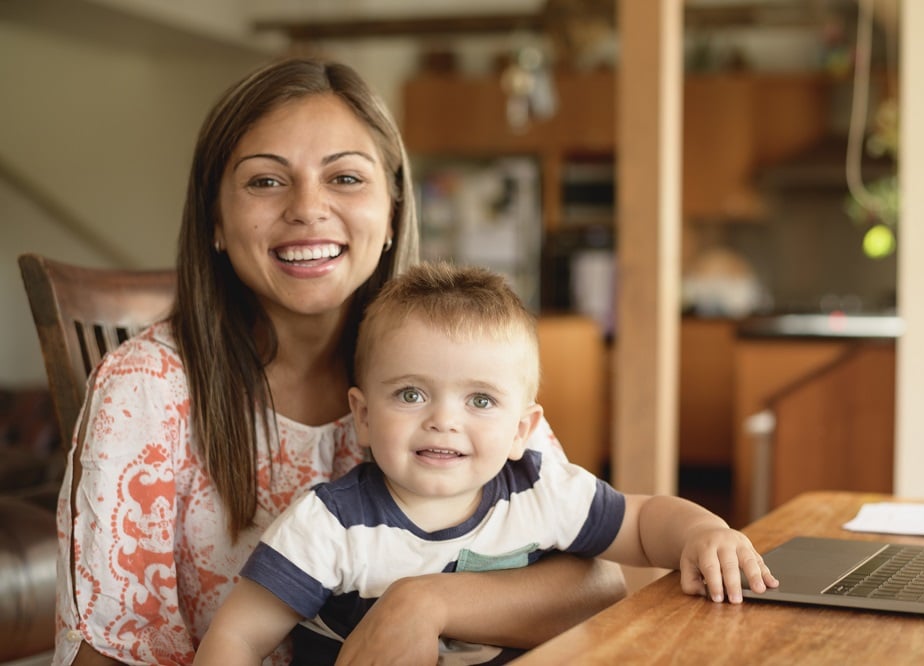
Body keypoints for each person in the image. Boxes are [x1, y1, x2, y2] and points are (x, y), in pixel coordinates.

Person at [54, 58, 627, 666]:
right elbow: (108, 651)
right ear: (215, 219)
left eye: (345, 178)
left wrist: (424, 602)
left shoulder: (445, 368)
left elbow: (595, 584)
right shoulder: (143, 388)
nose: (307, 208)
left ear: (392, 211)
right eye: (265, 181)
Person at [194, 262, 779, 666]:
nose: (443, 421)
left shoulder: (539, 487)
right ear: (363, 416)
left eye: (480, 400)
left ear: (523, 429)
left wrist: (706, 533)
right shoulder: (329, 524)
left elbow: (644, 522)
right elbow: (239, 635)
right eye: (410, 394)